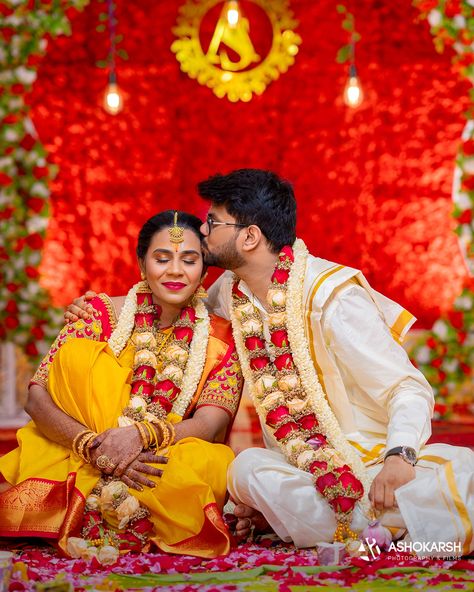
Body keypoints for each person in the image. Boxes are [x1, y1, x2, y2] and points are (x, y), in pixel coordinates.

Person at [65, 170, 474, 557]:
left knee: (463, 473)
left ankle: (377, 518)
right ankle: (390, 525)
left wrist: (399, 458)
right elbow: (175, 306)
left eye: (213, 222)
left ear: (250, 237)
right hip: (297, 464)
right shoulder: (231, 291)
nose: (202, 231)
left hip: (369, 455)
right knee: (245, 469)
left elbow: (407, 386)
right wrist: (102, 307)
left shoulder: (331, 299)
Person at [0, 210, 243, 562]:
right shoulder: (97, 313)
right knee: (77, 361)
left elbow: (211, 423)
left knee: (209, 462)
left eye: (189, 260)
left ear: (204, 272)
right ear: (142, 265)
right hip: (78, 445)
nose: (175, 270)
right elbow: (37, 398)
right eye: (162, 258)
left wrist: (140, 437)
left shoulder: (221, 337)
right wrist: (93, 446)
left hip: (158, 457)